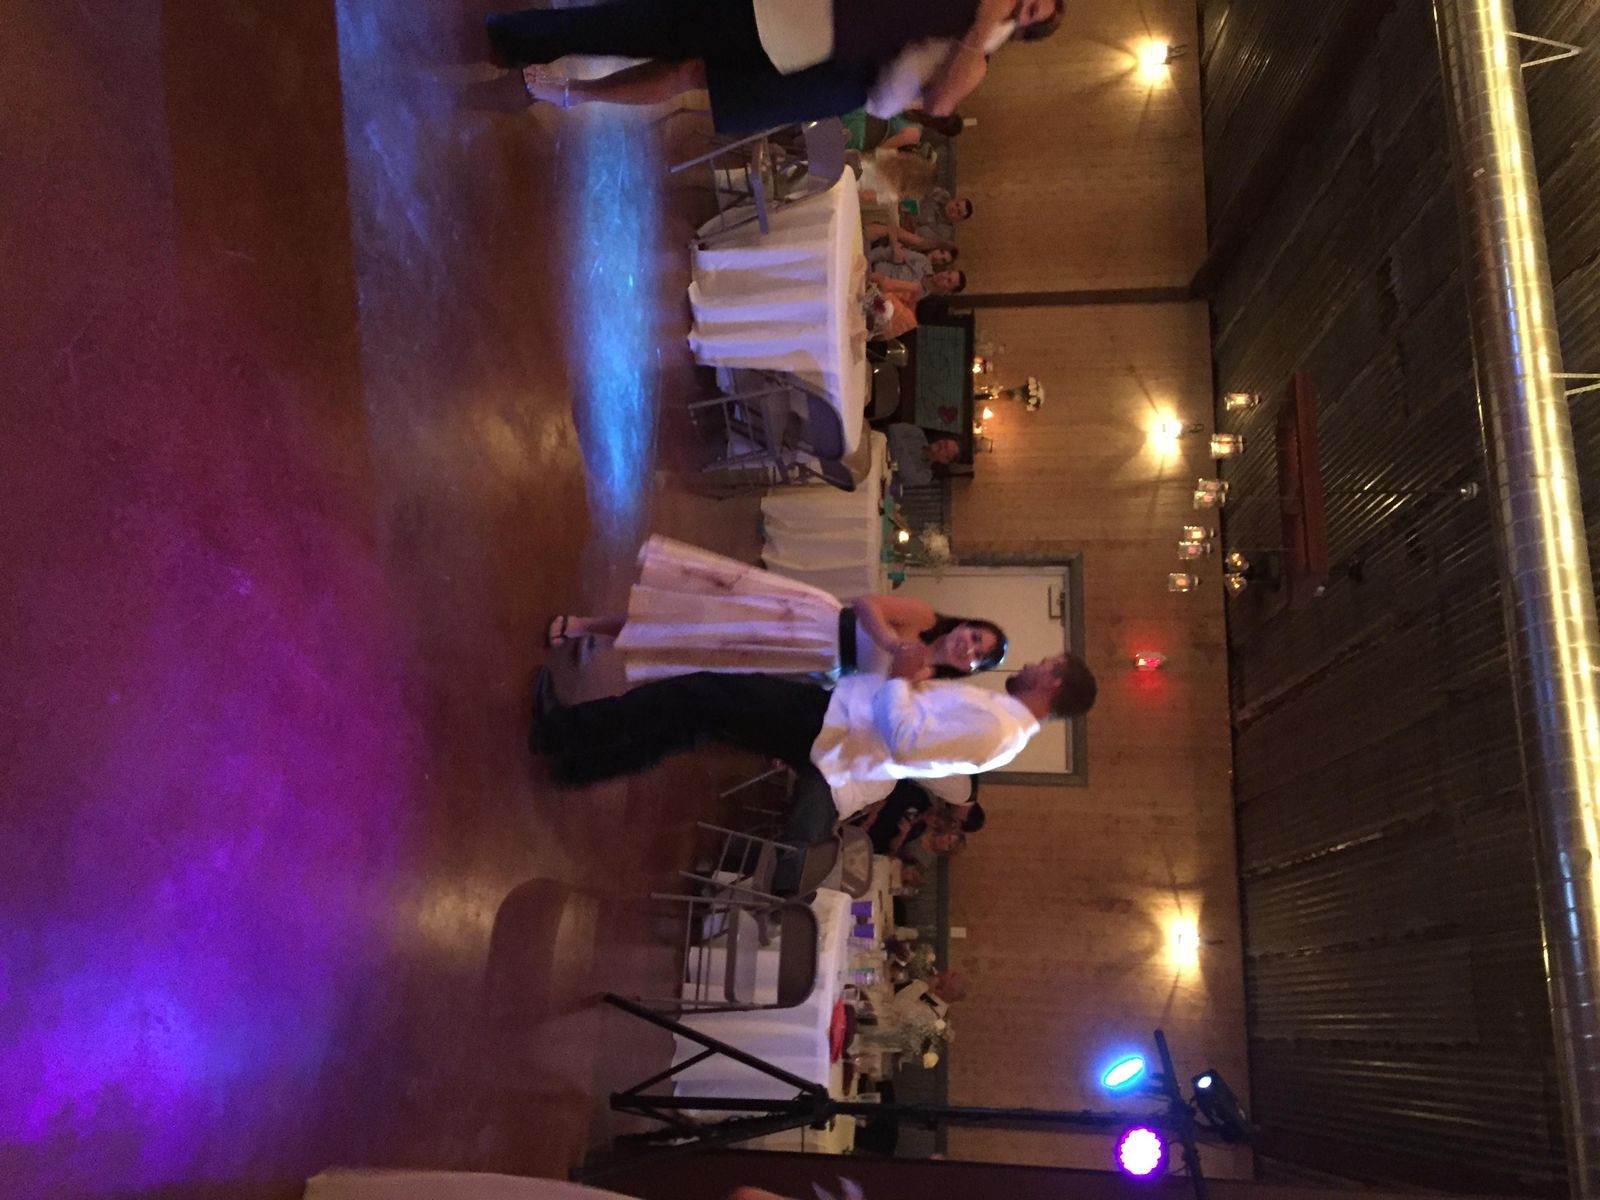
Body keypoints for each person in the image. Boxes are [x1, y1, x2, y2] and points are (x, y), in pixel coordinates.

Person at [531, 653, 1098, 865]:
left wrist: (902, 680)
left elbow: (906, 742)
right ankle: (583, 764)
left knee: (697, 694)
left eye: (1046, 663)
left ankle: (561, 731)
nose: (1033, 663)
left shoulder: (999, 728)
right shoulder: (1003, 724)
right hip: (834, 724)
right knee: (698, 719)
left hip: (829, 727)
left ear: (1053, 682)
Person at [484, 0, 1066, 130]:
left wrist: (984, 26)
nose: (1023, 2)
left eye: (1033, 10)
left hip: (826, 73)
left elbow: (929, 102)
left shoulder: (976, 56)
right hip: (800, 13)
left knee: (691, 74)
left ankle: (574, 91)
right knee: (660, 23)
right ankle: (528, 37)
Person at [545, 535, 1005, 682]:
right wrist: (889, 641)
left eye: (978, 655)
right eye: (976, 636)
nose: (969, 646)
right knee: (697, 620)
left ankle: (601, 636)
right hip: (810, 621)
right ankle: (586, 625)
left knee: (698, 649)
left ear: (969, 668)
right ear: (965, 625)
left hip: (809, 663)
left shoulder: (925, 682)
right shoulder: (923, 617)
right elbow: (867, 603)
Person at [867, 242, 958, 283]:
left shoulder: (928, 274)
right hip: (872, 267)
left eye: (943, 260)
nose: (938, 257)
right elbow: (887, 252)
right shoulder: (919, 248)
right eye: (941, 252)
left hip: (878, 283)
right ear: (938, 247)